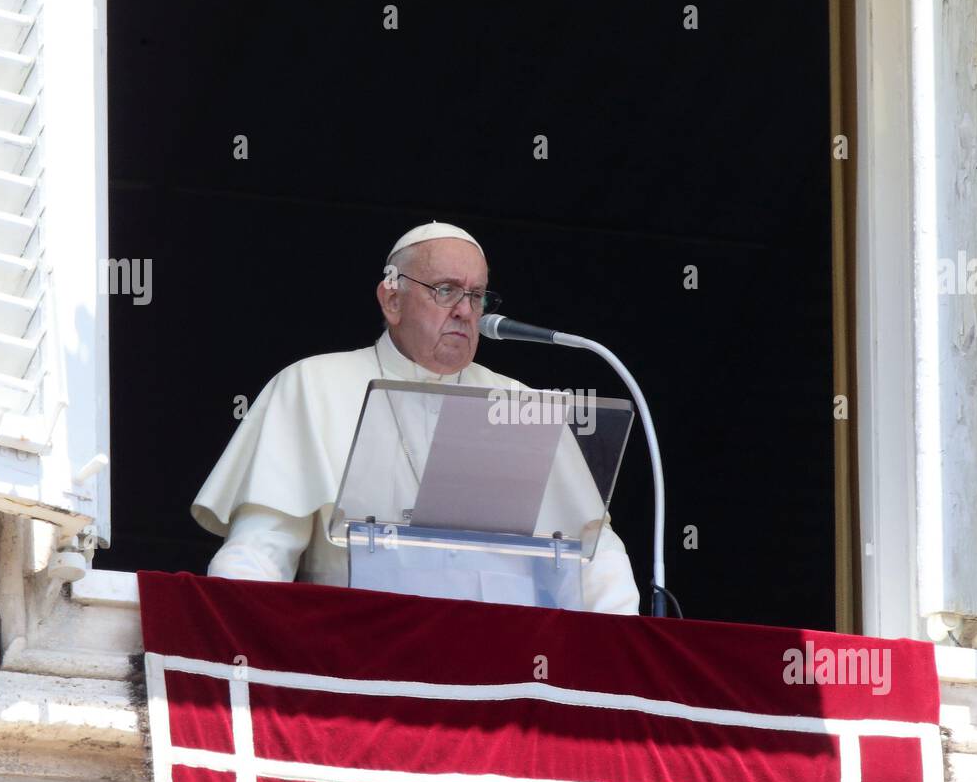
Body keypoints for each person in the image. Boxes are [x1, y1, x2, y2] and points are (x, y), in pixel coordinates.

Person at [190, 221, 640, 614]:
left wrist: (615, 654)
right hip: (357, 654)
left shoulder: (518, 403)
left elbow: (595, 557)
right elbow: (259, 554)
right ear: (392, 299)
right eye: (445, 290)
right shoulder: (312, 385)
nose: (464, 310)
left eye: (477, 295)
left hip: (511, 667)